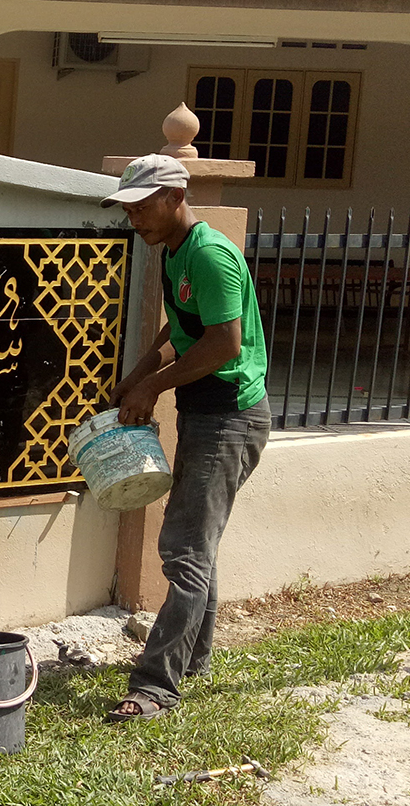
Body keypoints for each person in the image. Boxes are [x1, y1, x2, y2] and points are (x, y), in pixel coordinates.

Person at [98, 153, 271, 722]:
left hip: (230, 418)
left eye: (142, 207)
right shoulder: (174, 252)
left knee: (184, 550)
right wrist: (135, 378)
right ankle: (193, 661)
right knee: (197, 542)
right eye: (127, 210)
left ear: (176, 196)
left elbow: (223, 344)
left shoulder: (209, 254)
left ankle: (155, 687)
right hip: (206, 415)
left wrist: (153, 388)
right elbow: (180, 331)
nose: (134, 220)